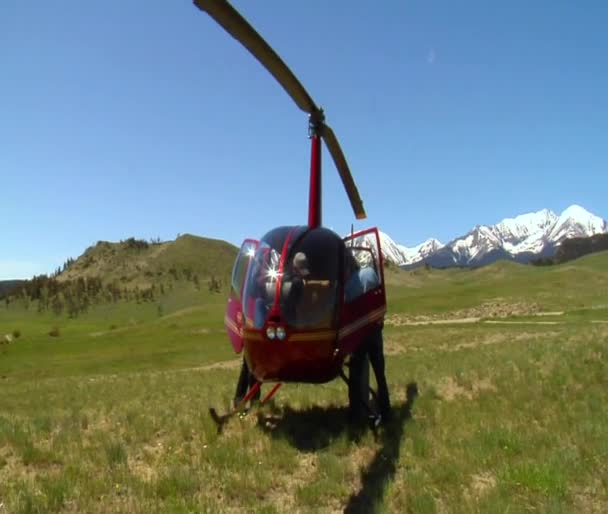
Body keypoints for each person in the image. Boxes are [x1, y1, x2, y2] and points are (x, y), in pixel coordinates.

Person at [344, 250, 391, 423]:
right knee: (380, 375)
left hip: (359, 334)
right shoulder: (371, 274)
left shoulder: (349, 285)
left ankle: (355, 412)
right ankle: (386, 411)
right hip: (374, 332)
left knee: (355, 375)